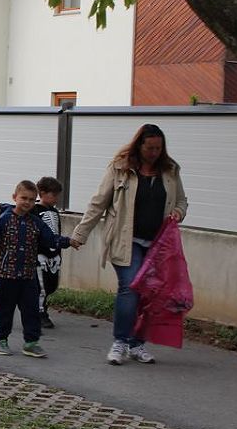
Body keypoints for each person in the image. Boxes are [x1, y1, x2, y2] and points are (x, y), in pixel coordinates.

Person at [71, 123, 188, 365]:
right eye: (150, 147)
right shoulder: (120, 168)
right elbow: (98, 203)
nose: (154, 152)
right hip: (125, 242)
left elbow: (182, 201)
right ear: (139, 145)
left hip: (157, 246)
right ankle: (120, 342)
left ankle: (137, 344)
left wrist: (178, 212)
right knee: (131, 287)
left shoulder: (170, 170)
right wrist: (80, 234)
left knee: (148, 295)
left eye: (158, 148)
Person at [0, 180, 73, 358]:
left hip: (29, 275)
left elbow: (51, 238)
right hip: (7, 274)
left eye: (32, 199)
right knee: (5, 309)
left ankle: (31, 342)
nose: (27, 202)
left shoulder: (36, 222)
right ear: (15, 197)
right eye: (24, 198)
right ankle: (1, 340)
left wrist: (69, 241)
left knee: (31, 310)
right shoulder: (5, 219)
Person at [34, 177, 65, 329]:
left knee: (52, 285)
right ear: (42, 193)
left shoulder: (54, 212)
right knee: (42, 286)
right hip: (40, 255)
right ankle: (39, 313)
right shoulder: (35, 210)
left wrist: (58, 250)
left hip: (54, 255)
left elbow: (56, 232)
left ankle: (40, 307)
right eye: (54, 195)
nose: (56, 199)